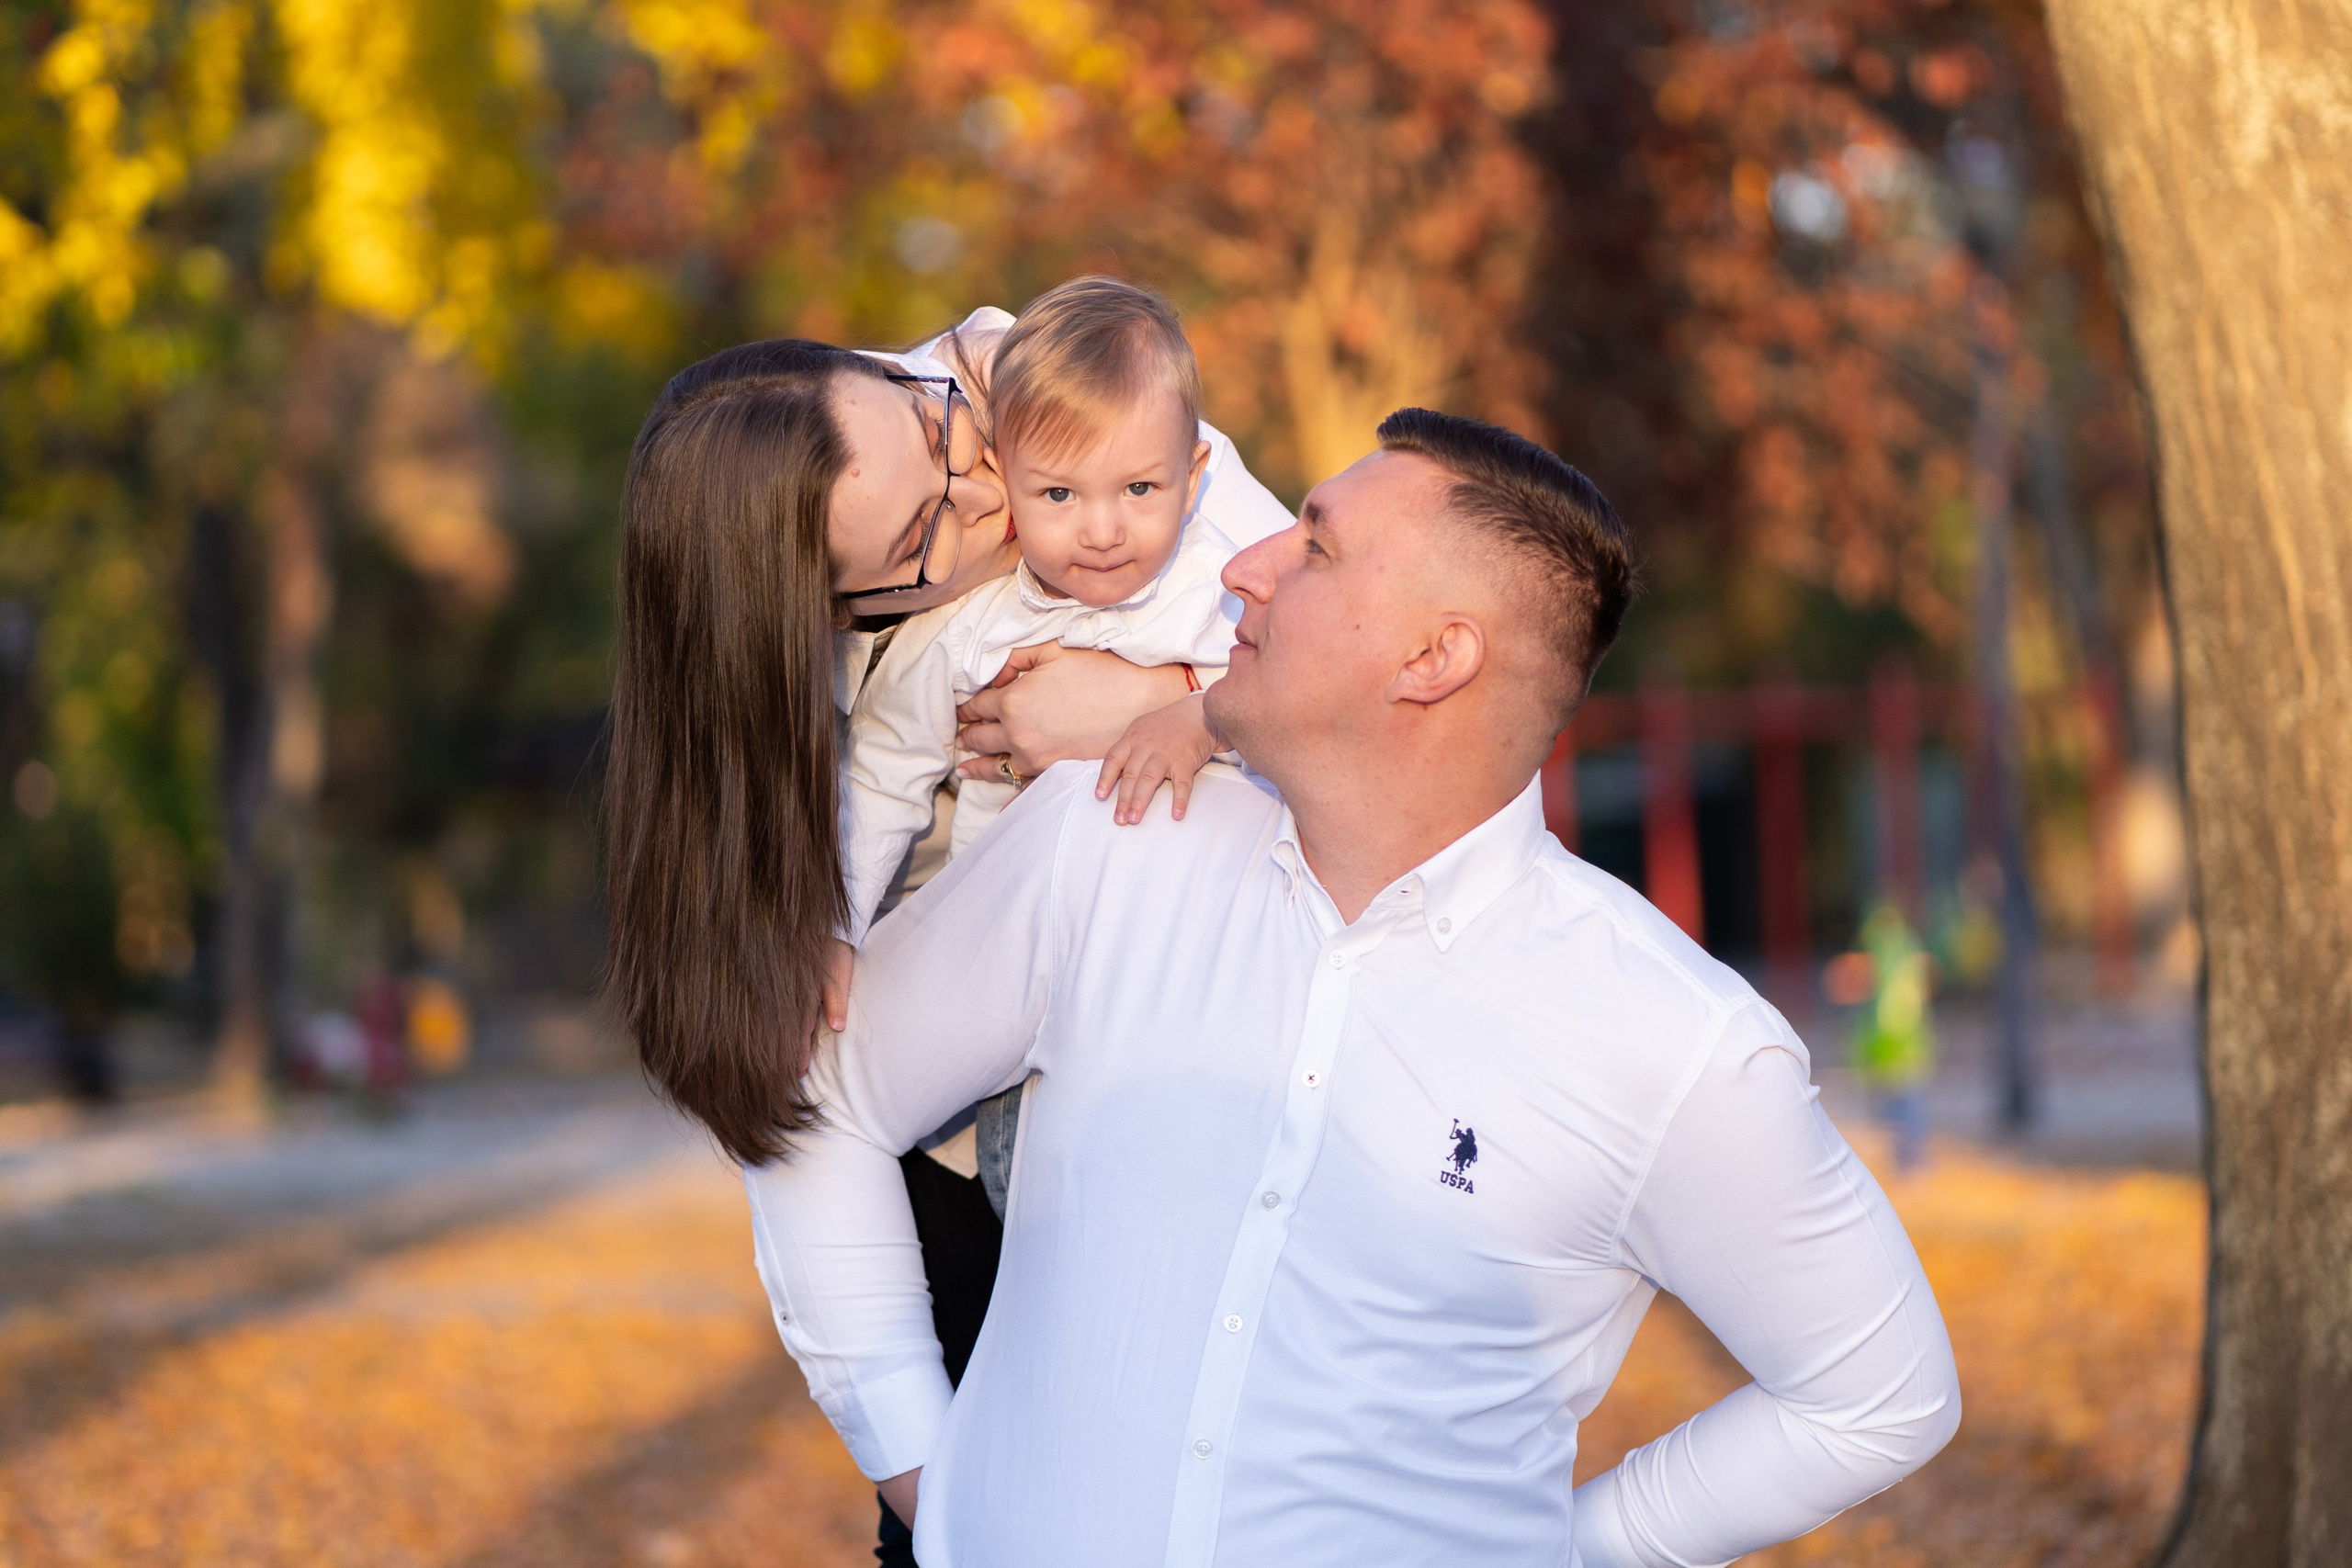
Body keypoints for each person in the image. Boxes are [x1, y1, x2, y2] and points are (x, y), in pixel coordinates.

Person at [746, 409, 1961, 1565]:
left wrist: (1578, 1552)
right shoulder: (1105, 841)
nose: (1246, 567)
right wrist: (916, 1465)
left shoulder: (1672, 1044)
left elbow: (1879, 1390)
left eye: (1316, 546)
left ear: (1436, 659)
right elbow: (820, 1096)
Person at [600, 301, 1291, 1563]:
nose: (986, 486)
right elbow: (803, 1120)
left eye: (936, 419)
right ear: (827, 618)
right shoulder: (806, 697)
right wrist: (947, 1510)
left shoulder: (1068, 409)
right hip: (958, 1152)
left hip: (1192, 1098)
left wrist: (1170, 704)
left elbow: (1382, 712)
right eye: (929, 530)